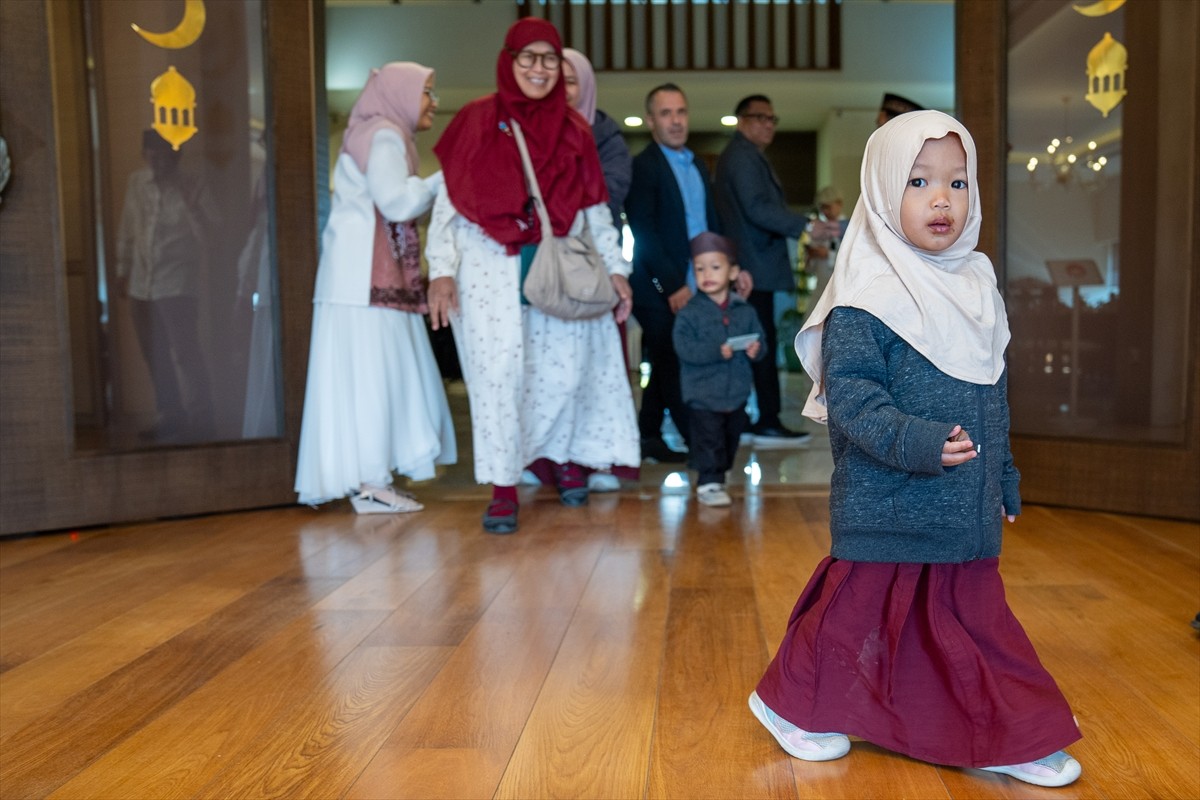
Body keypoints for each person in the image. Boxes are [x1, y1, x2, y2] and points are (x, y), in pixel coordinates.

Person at [749, 111, 1083, 788]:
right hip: (888, 504)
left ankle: (1008, 730)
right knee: (850, 621)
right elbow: (853, 401)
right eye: (919, 181)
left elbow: (992, 394)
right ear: (880, 191)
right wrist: (920, 442)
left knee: (975, 625)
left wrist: (1005, 473)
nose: (942, 199)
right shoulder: (865, 300)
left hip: (965, 510)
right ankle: (789, 706)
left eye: (958, 182)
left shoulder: (976, 286)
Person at [426, 18, 638, 535]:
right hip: (487, 273)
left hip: (556, 271)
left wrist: (615, 269)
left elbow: (593, 210)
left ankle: (565, 461)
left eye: (549, 60)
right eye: (528, 58)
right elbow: (448, 205)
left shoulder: (575, 129)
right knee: (498, 378)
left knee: (562, 374)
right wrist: (441, 271)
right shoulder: (477, 119)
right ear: (509, 61)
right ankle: (503, 488)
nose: (539, 70)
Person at [294, 62, 456, 513]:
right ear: (401, 94)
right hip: (365, 282)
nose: (433, 103)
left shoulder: (375, 132)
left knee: (368, 379)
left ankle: (372, 481)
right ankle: (371, 483)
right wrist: (446, 178)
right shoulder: (384, 135)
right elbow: (397, 201)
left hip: (360, 282)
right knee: (373, 378)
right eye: (426, 92)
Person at [625, 83, 720, 464]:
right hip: (657, 287)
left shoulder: (697, 163)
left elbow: (709, 223)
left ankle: (648, 435)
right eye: (666, 113)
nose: (676, 120)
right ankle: (697, 444)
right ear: (651, 120)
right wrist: (673, 285)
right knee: (674, 362)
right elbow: (643, 232)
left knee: (668, 361)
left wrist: (728, 268)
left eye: (681, 111)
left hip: (697, 282)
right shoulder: (643, 165)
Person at [714, 95, 811, 446]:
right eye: (759, 117)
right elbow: (757, 209)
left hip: (753, 265)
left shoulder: (748, 155)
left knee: (757, 340)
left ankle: (759, 418)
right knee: (758, 342)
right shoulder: (741, 157)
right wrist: (806, 225)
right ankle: (765, 419)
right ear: (741, 121)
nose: (767, 124)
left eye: (772, 118)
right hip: (751, 267)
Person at [560, 47, 636, 494]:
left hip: (592, 262)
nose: (562, 89)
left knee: (594, 368)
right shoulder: (527, 131)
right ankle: (549, 460)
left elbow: (608, 194)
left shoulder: (603, 133)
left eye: (572, 80)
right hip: (541, 265)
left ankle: (594, 458)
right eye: (557, 78)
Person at [115, 129, 218, 442]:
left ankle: (203, 418)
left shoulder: (192, 184)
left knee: (186, 353)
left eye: (162, 152)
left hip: (177, 282)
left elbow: (212, 237)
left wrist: (193, 207)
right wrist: (122, 269)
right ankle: (170, 415)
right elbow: (127, 228)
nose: (156, 159)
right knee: (153, 354)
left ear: (175, 155)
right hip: (141, 284)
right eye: (150, 152)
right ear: (145, 154)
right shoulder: (136, 183)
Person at [672, 232, 764, 507]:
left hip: (736, 392)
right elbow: (683, 348)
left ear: (733, 271)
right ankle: (708, 481)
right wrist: (715, 351)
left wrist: (756, 350)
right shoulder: (690, 312)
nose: (706, 274)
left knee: (730, 438)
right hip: (702, 393)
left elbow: (761, 341)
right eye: (699, 269)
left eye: (715, 267)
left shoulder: (744, 310)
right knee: (708, 438)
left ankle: (718, 477)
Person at [801, 185, 848, 306]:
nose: (825, 212)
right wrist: (811, 254)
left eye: (828, 207)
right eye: (822, 208)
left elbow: (853, 258)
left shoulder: (850, 228)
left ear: (839, 204)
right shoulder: (819, 230)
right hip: (820, 288)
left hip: (842, 288)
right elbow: (809, 269)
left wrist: (828, 253)